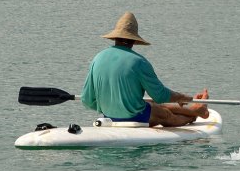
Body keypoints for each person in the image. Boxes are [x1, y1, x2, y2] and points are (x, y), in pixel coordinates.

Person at [80, 11, 208, 127]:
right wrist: (182, 97)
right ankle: (196, 113)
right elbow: (160, 95)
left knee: (152, 104)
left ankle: (196, 109)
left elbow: (86, 100)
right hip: (136, 117)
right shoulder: (139, 62)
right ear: (134, 41)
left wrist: (109, 107)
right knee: (166, 116)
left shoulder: (97, 58)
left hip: (108, 117)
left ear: (115, 38)